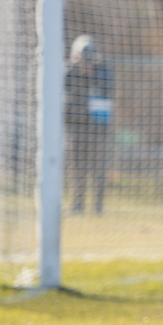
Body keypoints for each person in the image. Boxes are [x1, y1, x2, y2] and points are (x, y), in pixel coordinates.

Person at [65, 35, 113, 215]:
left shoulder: (103, 70)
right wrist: (78, 69)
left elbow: (107, 89)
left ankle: (98, 207)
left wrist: (93, 73)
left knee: (98, 168)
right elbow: (65, 85)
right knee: (77, 168)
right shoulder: (70, 70)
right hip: (77, 126)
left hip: (97, 129)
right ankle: (77, 205)